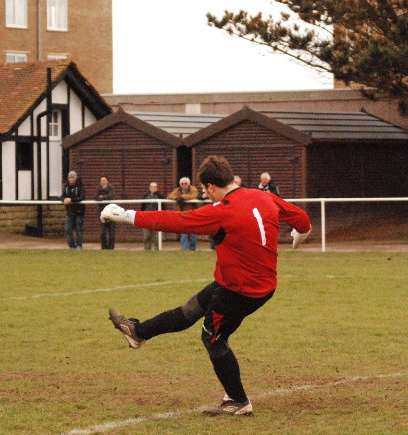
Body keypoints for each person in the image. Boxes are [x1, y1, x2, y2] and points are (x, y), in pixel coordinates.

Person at [100, 155, 311, 417]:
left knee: (213, 337)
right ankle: (138, 332)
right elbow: (301, 218)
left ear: (211, 186)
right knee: (190, 310)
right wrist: (300, 235)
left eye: (204, 190)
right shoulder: (263, 196)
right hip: (248, 281)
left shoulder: (222, 211)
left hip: (242, 290)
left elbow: (174, 221)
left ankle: (238, 401)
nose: (206, 195)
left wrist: (125, 215)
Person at [167, 177, 200, 250]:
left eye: (185, 183)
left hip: (192, 214)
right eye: (182, 184)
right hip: (182, 214)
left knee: (192, 233)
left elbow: (194, 196)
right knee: (184, 232)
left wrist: (182, 197)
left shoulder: (193, 189)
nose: (184, 185)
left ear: (189, 184)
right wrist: (177, 198)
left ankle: (192, 249)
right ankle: (184, 249)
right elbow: (170, 196)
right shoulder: (178, 190)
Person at [61, 170, 86, 249]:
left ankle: (79, 245)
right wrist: (64, 199)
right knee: (68, 229)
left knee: (78, 229)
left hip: (79, 212)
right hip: (69, 212)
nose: (71, 179)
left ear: (75, 178)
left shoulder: (80, 186)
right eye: (69, 178)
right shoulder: (66, 187)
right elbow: (62, 196)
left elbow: (82, 197)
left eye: (72, 178)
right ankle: (71, 246)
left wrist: (71, 200)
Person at [141, 182, 165, 250]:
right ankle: (147, 249)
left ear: (157, 188)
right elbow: (143, 206)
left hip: (156, 217)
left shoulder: (160, 195)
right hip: (146, 217)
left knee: (157, 235)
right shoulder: (146, 195)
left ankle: (158, 249)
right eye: (151, 187)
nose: (153, 188)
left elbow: (163, 206)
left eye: (154, 187)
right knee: (146, 235)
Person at [95, 176, 116, 249]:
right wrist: (102, 197)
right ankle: (104, 246)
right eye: (101, 180)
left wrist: (102, 197)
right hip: (102, 212)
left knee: (111, 230)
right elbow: (96, 197)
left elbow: (111, 196)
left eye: (104, 180)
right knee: (103, 231)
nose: (103, 182)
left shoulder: (111, 188)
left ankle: (111, 247)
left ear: (107, 181)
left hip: (111, 212)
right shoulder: (98, 188)